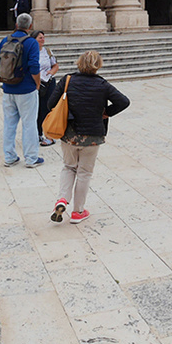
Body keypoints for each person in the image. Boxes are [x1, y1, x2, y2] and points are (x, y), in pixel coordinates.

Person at [51, 50, 131, 225]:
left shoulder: (67, 80)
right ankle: (78, 212)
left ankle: (62, 200)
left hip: (70, 134)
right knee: (84, 173)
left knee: (69, 167)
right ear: (98, 65)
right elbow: (124, 101)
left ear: (79, 63)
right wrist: (106, 113)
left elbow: (51, 104)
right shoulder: (103, 85)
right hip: (93, 135)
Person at [0, 14, 44, 168]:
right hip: (26, 89)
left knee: (9, 124)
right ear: (30, 26)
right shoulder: (31, 43)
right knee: (29, 124)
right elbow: (34, 67)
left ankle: (9, 157)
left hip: (8, 90)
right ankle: (31, 158)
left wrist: (7, 78)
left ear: (16, 24)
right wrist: (37, 83)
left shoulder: (5, 40)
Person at [34, 32, 62, 148]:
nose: (43, 39)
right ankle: (37, 133)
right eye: (40, 37)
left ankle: (49, 134)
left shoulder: (48, 51)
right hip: (37, 84)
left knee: (49, 108)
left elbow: (55, 65)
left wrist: (51, 72)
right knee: (37, 109)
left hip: (49, 83)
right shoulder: (31, 52)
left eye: (43, 37)